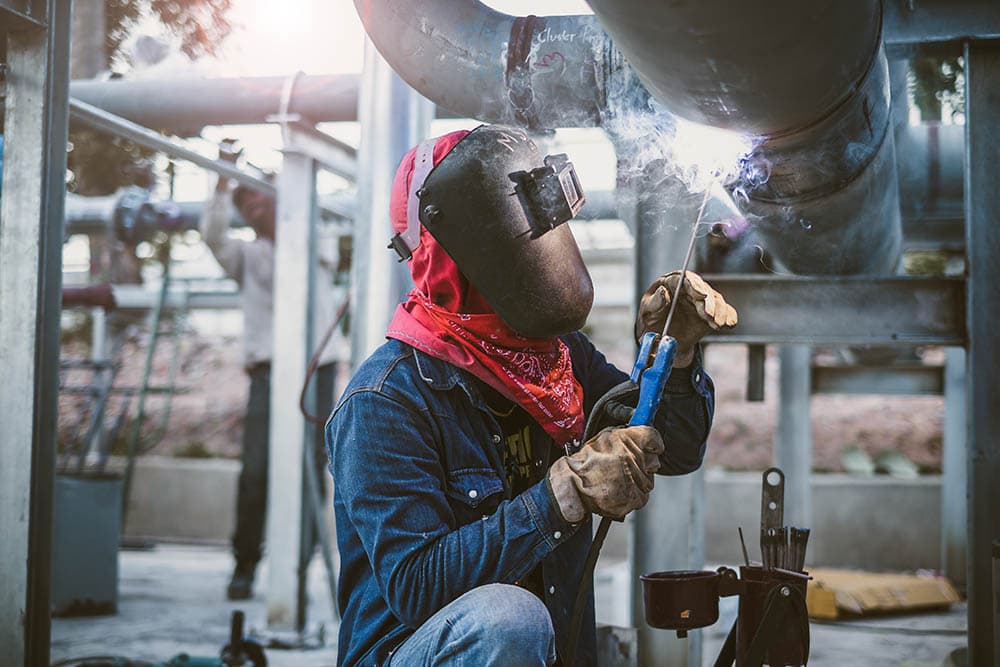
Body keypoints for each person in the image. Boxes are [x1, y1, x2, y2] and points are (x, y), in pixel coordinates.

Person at [325, 125, 737, 666]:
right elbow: (418, 587)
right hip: (417, 652)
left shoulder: (556, 359)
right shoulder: (386, 402)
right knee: (507, 620)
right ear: (459, 249)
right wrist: (563, 494)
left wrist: (675, 356)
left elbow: (677, 448)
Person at [200, 154, 348, 600]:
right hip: (268, 374)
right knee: (257, 471)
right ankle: (244, 564)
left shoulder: (314, 241)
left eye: (260, 196)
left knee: (309, 469)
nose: (255, 207)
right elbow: (211, 234)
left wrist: (282, 168)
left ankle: (300, 567)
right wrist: (224, 181)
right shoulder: (245, 257)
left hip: (313, 371)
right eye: (246, 203)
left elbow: (302, 198)